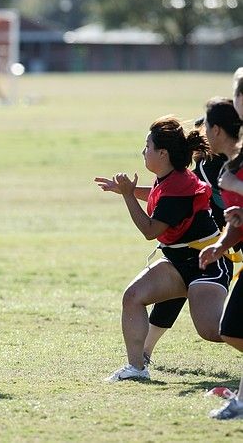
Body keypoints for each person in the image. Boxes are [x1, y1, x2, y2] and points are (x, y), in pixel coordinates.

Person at [95, 115, 232, 382]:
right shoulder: (170, 177)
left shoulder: (179, 186)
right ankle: (136, 368)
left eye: (147, 146)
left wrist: (126, 195)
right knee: (132, 296)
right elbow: (160, 196)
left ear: (163, 152)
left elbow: (149, 231)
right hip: (179, 262)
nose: (143, 151)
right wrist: (129, 190)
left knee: (213, 331)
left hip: (207, 265)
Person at [198, 89, 243, 419]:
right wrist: (221, 244)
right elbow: (238, 221)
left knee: (231, 328)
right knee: (231, 329)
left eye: (206, 128)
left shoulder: (233, 172)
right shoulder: (230, 167)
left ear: (216, 131)